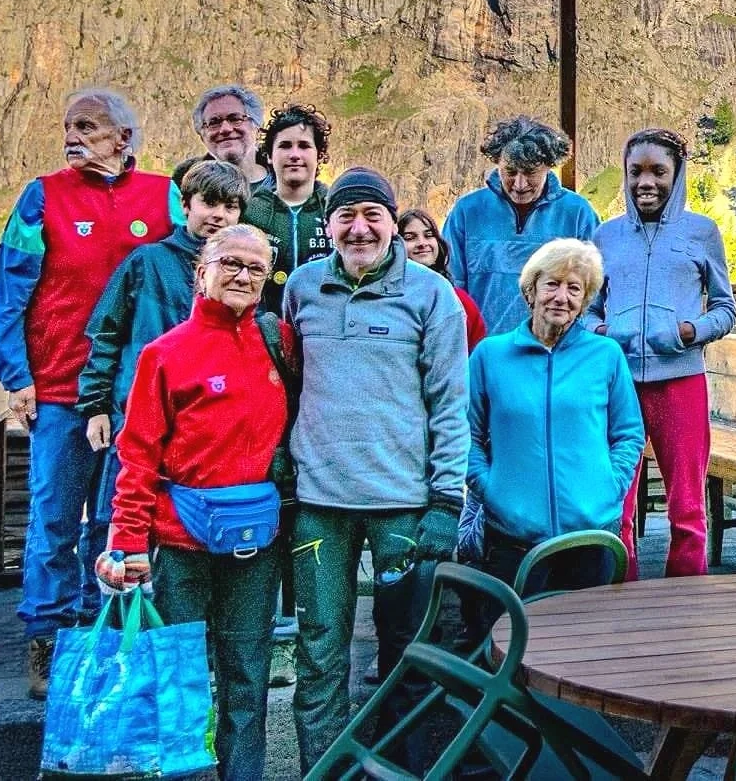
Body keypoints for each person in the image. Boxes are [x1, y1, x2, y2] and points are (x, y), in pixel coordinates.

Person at [0, 87, 182, 697]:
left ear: (123, 137)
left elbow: (184, 276)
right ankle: (47, 636)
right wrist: (16, 374)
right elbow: (10, 290)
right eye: (69, 126)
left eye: (87, 126)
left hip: (134, 392)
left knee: (116, 517)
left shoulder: (163, 196)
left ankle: (106, 634)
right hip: (59, 386)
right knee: (54, 515)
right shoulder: (41, 196)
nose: (72, 136)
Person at [285, 167, 469, 768]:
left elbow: (450, 403)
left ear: (392, 221)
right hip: (320, 505)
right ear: (329, 224)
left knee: (407, 653)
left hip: (403, 506)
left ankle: (402, 770)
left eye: (373, 215)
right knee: (319, 653)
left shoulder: (432, 295)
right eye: (346, 215)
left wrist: (446, 501)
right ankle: (323, 771)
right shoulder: (303, 288)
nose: (359, 228)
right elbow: (291, 386)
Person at [97, 225, 292, 781]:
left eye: (255, 268)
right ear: (202, 271)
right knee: (177, 674)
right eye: (230, 263)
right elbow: (138, 455)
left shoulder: (279, 344)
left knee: (247, 675)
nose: (242, 276)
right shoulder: (164, 355)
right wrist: (127, 541)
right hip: (182, 541)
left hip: (256, 544)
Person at [79, 160, 248, 554]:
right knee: (115, 518)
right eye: (209, 203)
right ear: (186, 205)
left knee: (181, 528)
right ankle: (102, 590)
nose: (218, 215)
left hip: (203, 423)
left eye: (230, 207)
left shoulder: (240, 277)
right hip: (137, 415)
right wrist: (95, 407)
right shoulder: (147, 262)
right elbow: (106, 336)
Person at [592, 129, 736, 579]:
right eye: (636, 171)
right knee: (615, 502)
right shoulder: (606, 236)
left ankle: (686, 599)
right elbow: (587, 310)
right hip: (619, 386)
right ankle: (619, 590)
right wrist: (602, 332)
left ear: (677, 174)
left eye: (658, 171)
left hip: (681, 383)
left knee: (687, 506)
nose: (646, 182)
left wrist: (690, 331)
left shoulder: (701, 232)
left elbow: (726, 308)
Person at [468, 239, 644, 595]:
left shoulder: (606, 355)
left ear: (584, 300)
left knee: (586, 629)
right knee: (512, 628)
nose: (561, 297)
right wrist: (490, 489)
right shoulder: (490, 355)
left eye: (574, 288)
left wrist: (610, 485)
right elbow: (463, 434)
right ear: (531, 291)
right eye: (552, 284)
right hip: (512, 534)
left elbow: (628, 433)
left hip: (590, 532)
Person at [444, 117, 599, 338]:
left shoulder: (578, 213)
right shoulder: (467, 211)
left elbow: (594, 294)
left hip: (556, 351)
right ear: (497, 164)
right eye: (510, 172)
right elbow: (449, 289)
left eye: (530, 173)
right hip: (484, 349)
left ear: (549, 166)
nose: (519, 184)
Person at [244, 105, 333, 316]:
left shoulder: (336, 211)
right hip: (261, 328)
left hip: (322, 327)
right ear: (269, 156)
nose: (294, 155)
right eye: (285, 146)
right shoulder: (249, 212)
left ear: (319, 155)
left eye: (304, 146)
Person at [398, 209, 488, 350]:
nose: (422, 243)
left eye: (428, 235)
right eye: (410, 238)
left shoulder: (459, 300)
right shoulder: (387, 299)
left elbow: (476, 352)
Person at [194, 85, 266, 187]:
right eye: (214, 122)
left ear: (257, 129)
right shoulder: (182, 191)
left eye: (235, 119)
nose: (225, 129)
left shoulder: (284, 183)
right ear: (202, 137)